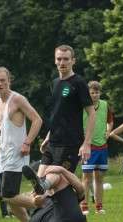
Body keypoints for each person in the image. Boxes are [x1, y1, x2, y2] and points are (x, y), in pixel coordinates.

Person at [0, 67, 43, 222]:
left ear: (9, 81)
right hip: (2, 156)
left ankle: (48, 204)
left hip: (17, 154)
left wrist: (27, 142)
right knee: (11, 199)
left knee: (8, 195)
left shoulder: (17, 99)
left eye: (2, 80)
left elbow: (37, 120)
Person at [37, 45, 95, 181]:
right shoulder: (55, 83)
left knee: (53, 182)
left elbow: (92, 114)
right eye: (59, 59)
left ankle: (79, 194)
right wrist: (48, 136)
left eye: (66, 59)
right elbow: (57, 113)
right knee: (39, 182)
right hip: (53, 142)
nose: (62, 62)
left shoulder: (79, 83)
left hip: (70, 142)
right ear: (55, 61)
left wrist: (87, 143)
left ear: (73, 61)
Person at [80, 81, 113, 215]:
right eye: (92, 92)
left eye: (97, 92)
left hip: (102, 146)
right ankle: (84, 206)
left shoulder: (105, 105)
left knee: (99, 177)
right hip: (88, 146)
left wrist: (108, 131)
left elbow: (110, 121)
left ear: (100, 93)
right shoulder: (82, 105)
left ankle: (99, 206)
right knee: (86, 178)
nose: (94, 95)